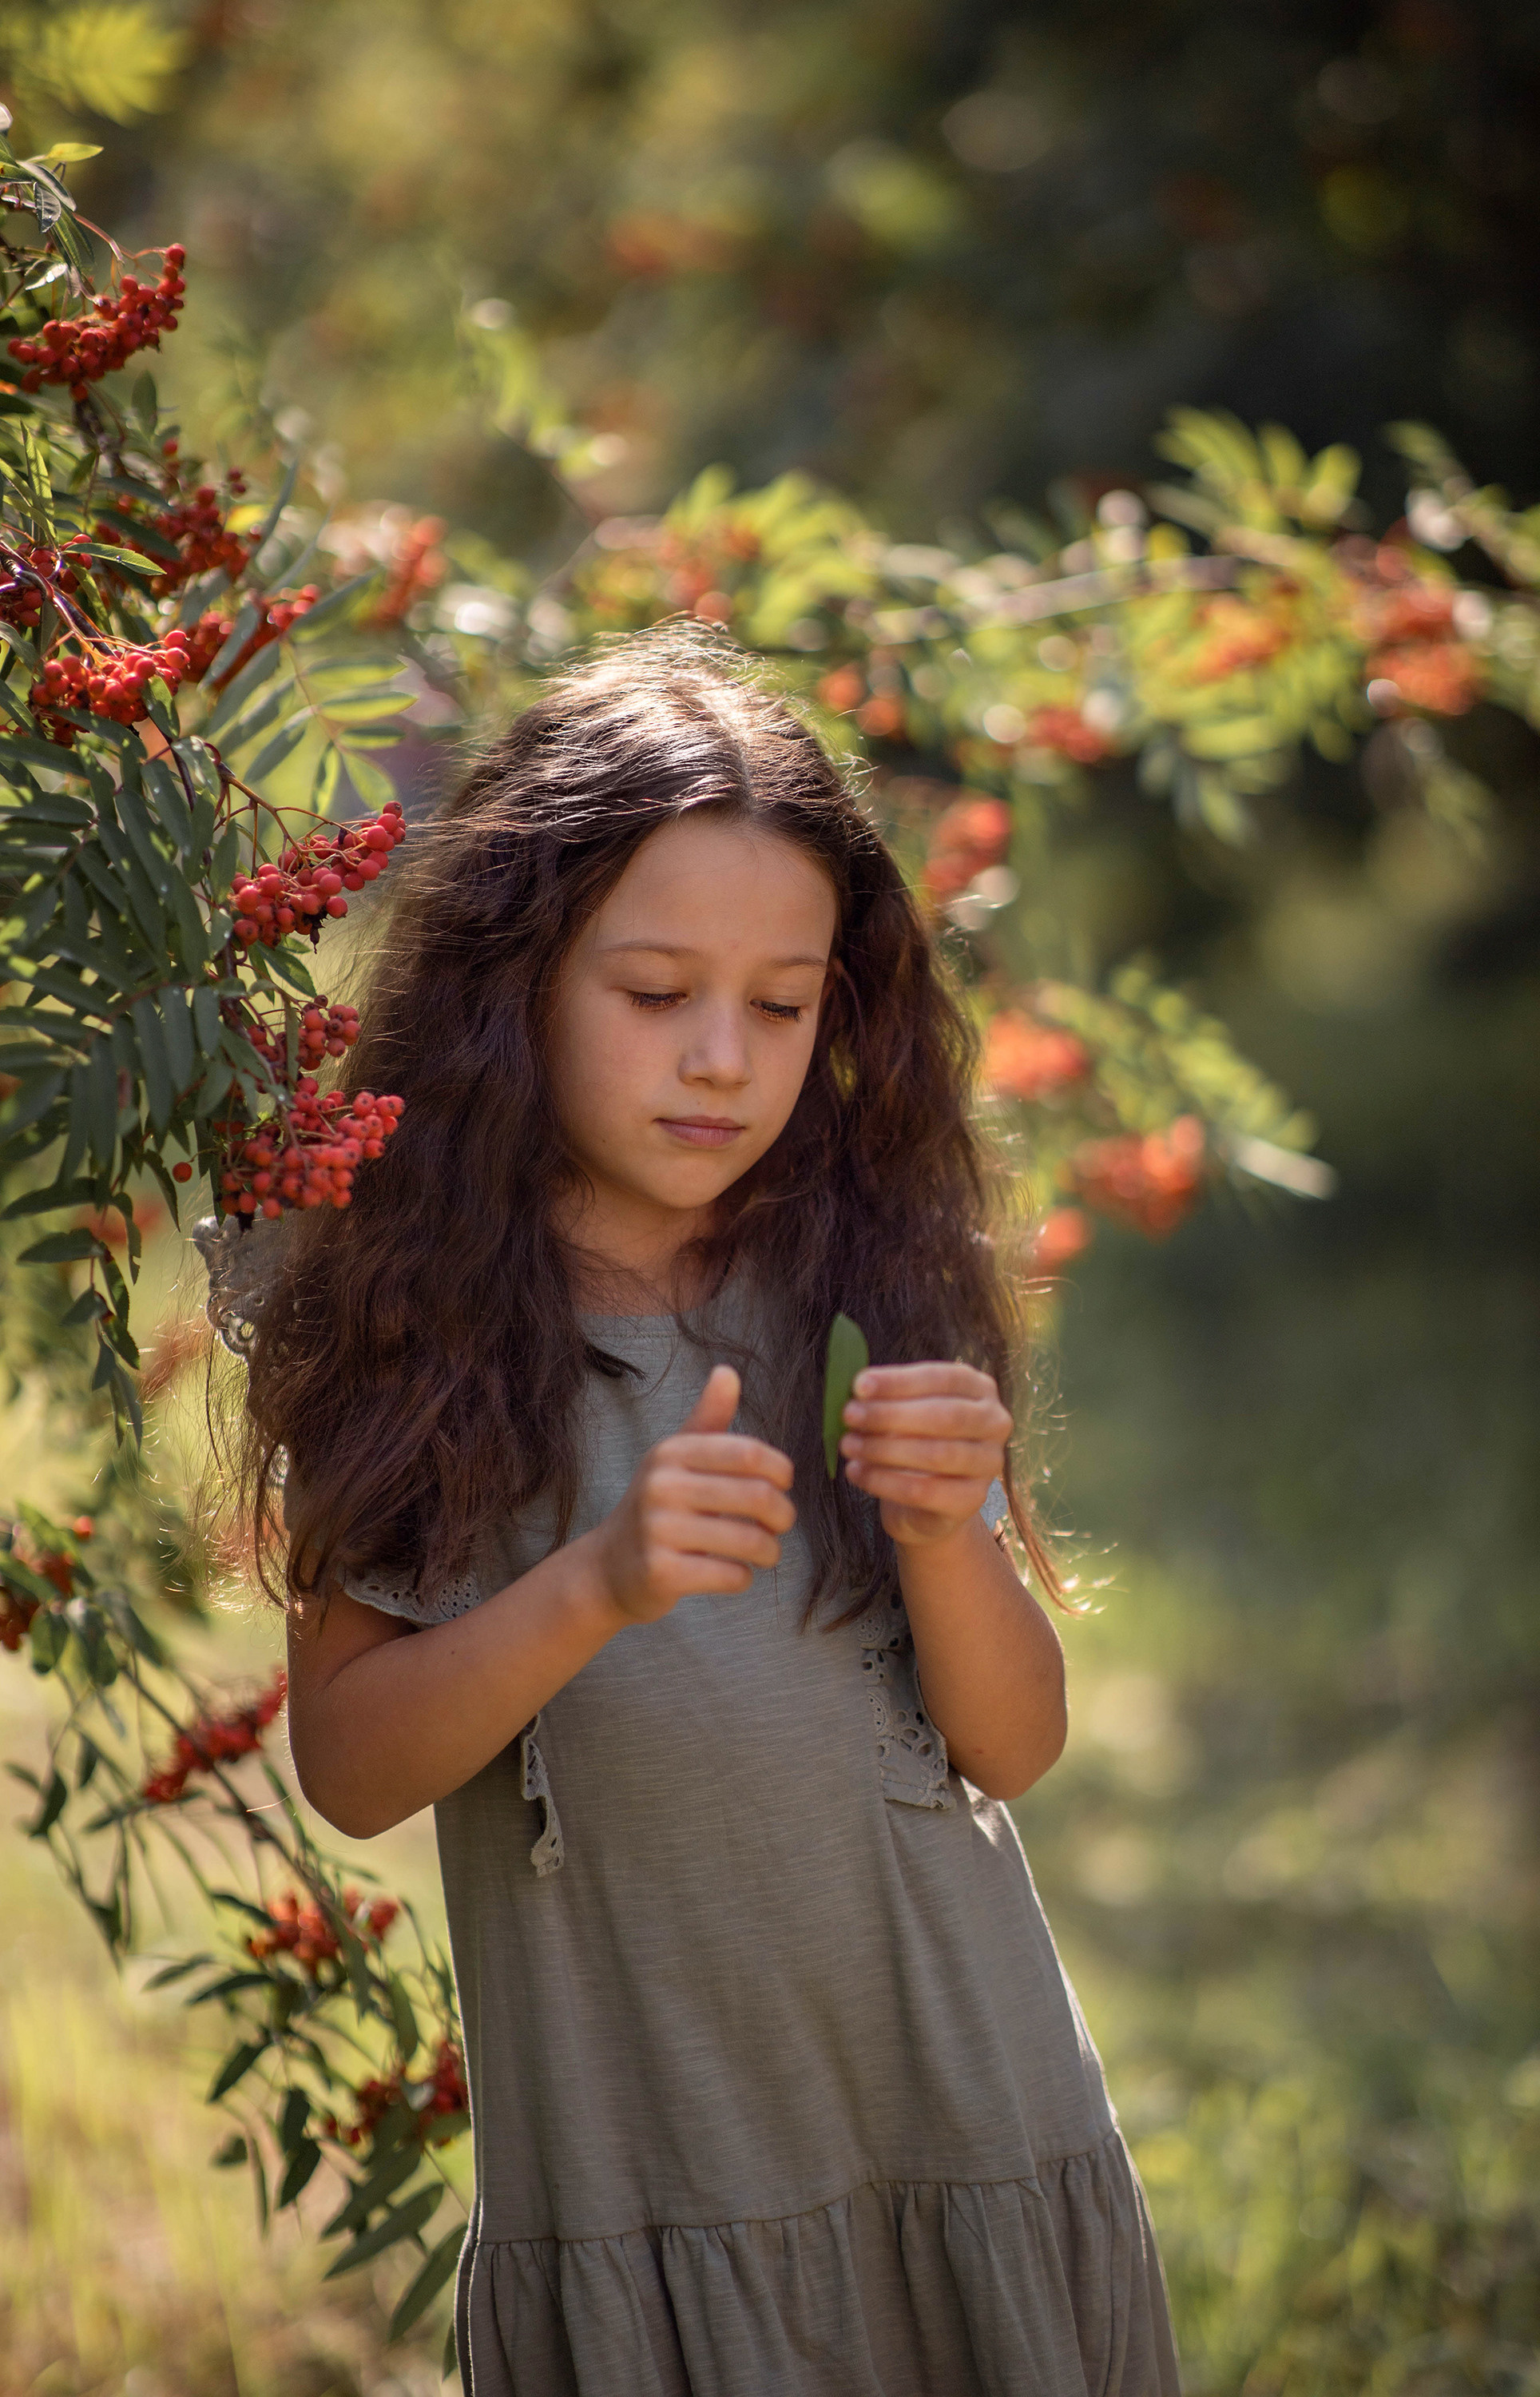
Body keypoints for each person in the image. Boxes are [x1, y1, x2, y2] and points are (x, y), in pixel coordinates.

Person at [231, 622, 1180, 2397]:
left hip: (969, 2114)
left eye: (784, 1001)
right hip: (657, 2188)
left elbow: (1012, 1748)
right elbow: (355, 1770)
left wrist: (949, 1530)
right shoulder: (408, 1314)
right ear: (512, 982)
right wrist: (598, 1581)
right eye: (656, 996)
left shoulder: (863, 1265)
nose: (723, 1061)